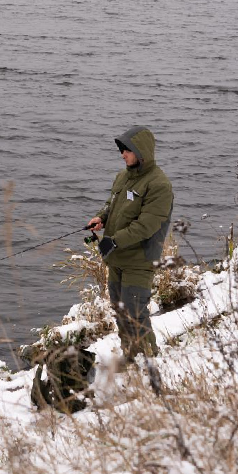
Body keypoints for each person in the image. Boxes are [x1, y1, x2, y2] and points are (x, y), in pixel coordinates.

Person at [87, 126, 173, 366]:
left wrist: (114, 240)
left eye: (126, 150)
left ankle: (150, 363)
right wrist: (101, 218)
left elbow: (147, 225)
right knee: (119, 310)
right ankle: (132, 357)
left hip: (139, 260)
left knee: (135, 313)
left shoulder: (159, 185)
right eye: (121, 149)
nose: (122, 154)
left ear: (141, 152)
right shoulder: (123, 176)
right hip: (116, 258)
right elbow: (111, 204)